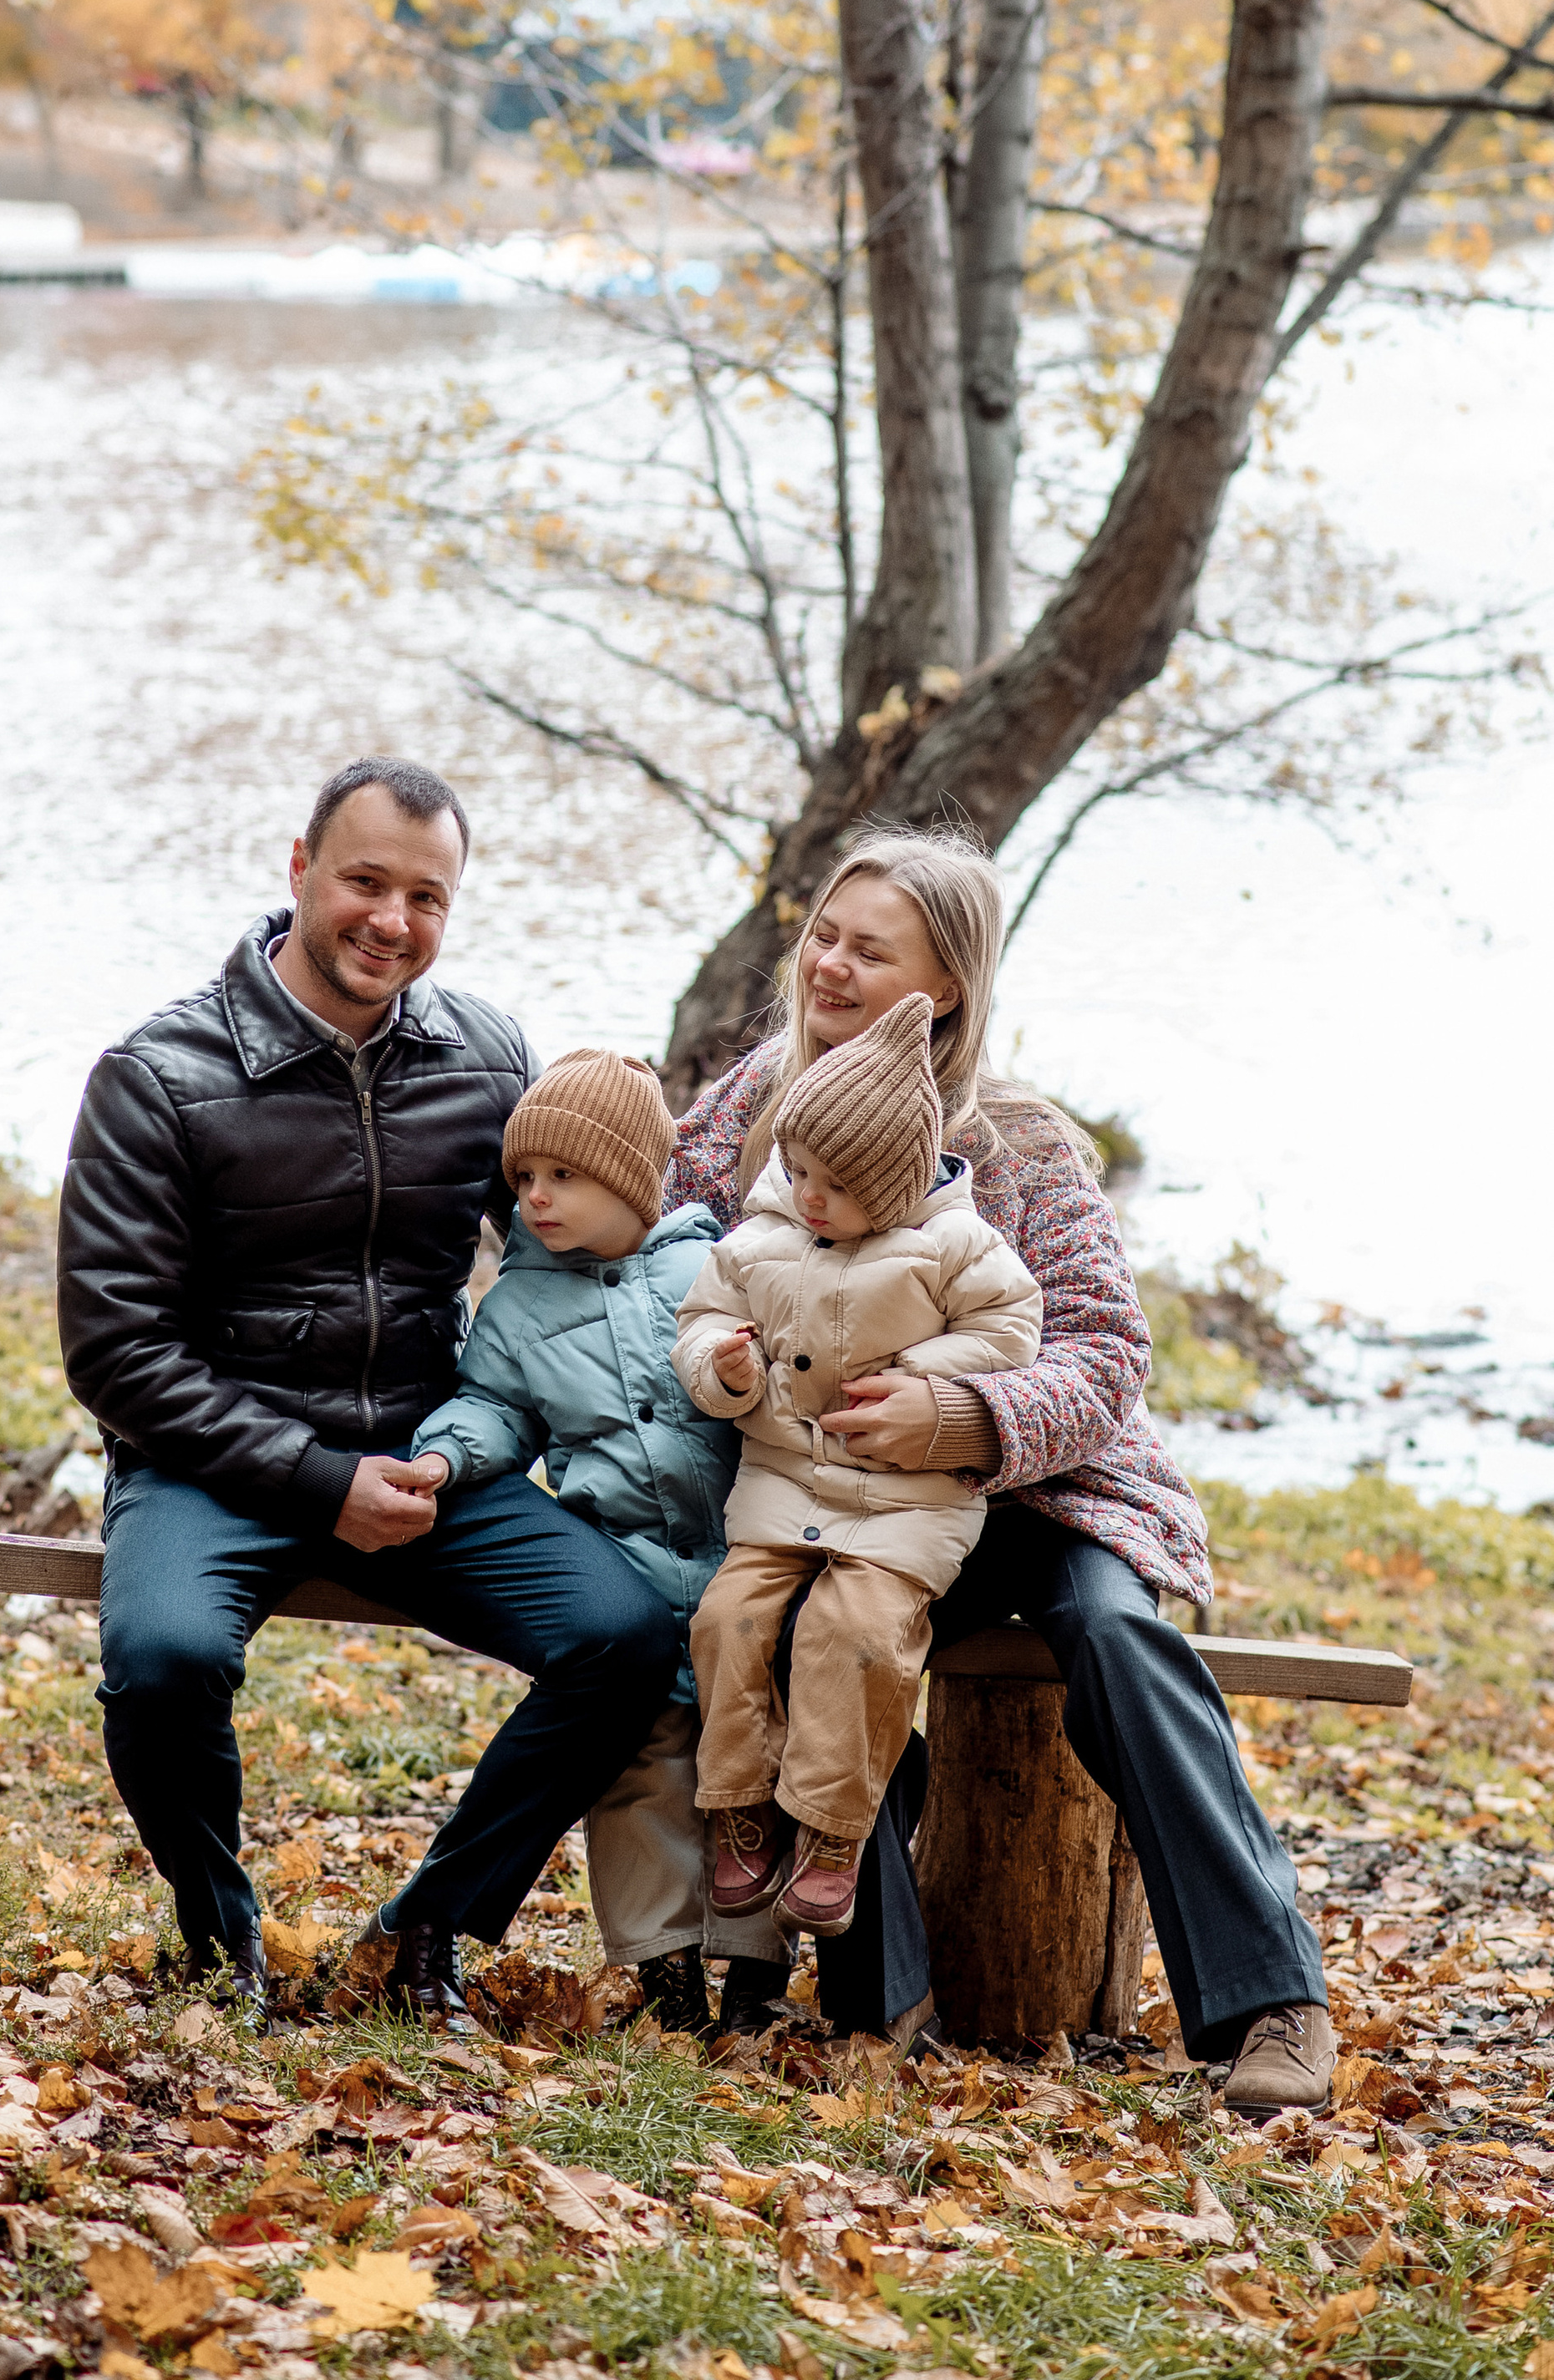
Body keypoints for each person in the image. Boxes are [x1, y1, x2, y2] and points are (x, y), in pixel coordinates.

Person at [664, 824, 1335, 2114]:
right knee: (816, 1628)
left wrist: (959, 1412)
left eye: (874, 951)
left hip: (1034, 1496)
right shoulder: (754, 1110)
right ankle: (885, 1997)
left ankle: (1274, 2002)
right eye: (825, 937)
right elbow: (655, 1247)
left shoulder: (1020, 1142)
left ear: (949, 985)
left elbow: (1107, 1355)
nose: (832, 967)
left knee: (1115, 1640)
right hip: (841, 1502)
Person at [58, 757, 681, 2027]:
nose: (393, 921)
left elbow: (588, 1238)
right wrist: (311, 1480)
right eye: (365, 881)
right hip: (212, 1465)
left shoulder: (488, 1054)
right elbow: (115, 1351)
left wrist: (752, 1290)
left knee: (627, 1635)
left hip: (427, 1452)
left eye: (428, 897)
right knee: (164, 1659)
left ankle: (424, 1933)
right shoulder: (158, 1076)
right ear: (298, 870)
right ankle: (219, 1936)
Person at [405, 1048, 776, 2041]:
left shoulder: (715, 1268)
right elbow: (493, 1408)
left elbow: (782, 1391)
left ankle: (754, 1975)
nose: (534, 1199)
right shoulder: (518, 1306)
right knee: (645, 1769)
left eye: (562, 1177)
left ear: (630, 1179)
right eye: (522, 1179)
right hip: (633, 1562)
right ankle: (665, 1971)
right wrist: (445, 1456)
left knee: (753, 1771)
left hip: (752, 1573)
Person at [674, 992, 1040, 1941]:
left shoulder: (955, 1245)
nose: (807, 1196)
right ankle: (739, 1803)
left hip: (903, 1504)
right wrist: (721, 1368)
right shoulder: (759, 1237)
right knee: (728, 1620)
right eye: (797, 1170)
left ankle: (833, 1829)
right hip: (782, 1485)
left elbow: (1012, 1329)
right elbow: (701, 1321)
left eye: (833, 1183)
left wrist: (924, 1377)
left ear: (891, 1182)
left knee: (858, 1633)